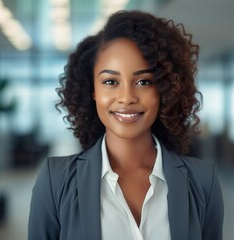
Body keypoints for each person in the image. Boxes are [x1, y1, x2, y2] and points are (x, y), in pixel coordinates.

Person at [28, 10, 223, 240]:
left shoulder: (202, 181)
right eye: (111, 81)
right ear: (92, 91)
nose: (127, 97)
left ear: (164, 89)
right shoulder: (55, 181)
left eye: (143, 81)